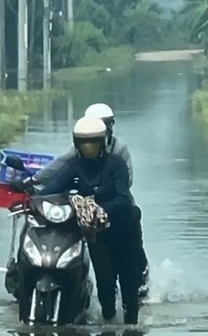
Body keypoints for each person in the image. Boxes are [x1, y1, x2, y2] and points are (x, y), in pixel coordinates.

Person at [12, 116, 143, 324]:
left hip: (123, 229)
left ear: (102, 143)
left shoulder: (116, 164)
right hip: (97, 234)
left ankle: (132, 333)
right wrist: (31, 200)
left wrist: (97, 208)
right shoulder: (74, 167)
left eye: (93, 142)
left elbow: (122, 196)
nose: (89, 148)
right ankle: (108, 326)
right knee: (105, 283)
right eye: (84, 143)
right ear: (77, 144)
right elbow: (52, 188)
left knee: (128, 283)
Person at [34, 103, 150, 299]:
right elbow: (59, 169)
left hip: (119, 214)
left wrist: (99, 203)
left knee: (131, 271)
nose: (90, 146)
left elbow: (126, 184)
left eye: (108, 124)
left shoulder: (118, 154)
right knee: (105, 280)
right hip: (93, 223)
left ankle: (141, 275)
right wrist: (34, 186)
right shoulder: (78, 158)